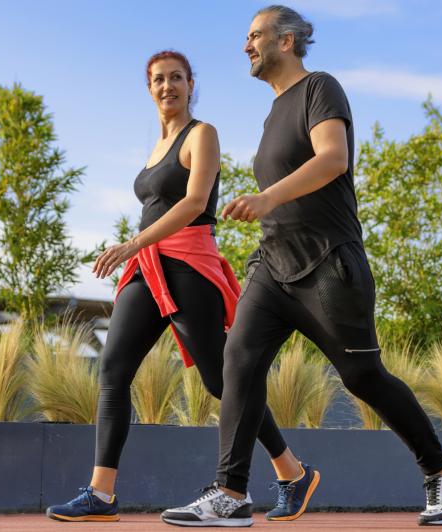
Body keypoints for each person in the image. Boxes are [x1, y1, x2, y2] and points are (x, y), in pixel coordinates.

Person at [161, 6, 442, 528]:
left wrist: (265, 198)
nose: (246, 46)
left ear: (286, 40)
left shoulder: (319, 88)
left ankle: (441, 471)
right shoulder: (272, 112)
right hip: (273, 265)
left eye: (254, 36)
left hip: (329, 265)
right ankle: (231, 492)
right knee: (237, 360)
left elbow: (333, 159)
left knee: (362, 376)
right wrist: (265, 213)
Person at [45, 49, 317, 524]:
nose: (167, 86)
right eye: (158, 80)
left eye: (176, 78)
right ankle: (101, 494)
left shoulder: (202, 134)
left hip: (189, 264)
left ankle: (291, 471)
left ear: (191, 85)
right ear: (148, 88)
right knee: (112, 368)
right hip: (148, 269)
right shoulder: (155, 146)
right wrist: (137, 252)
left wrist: (130, 244)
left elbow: (193, 203)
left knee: (220, 380)